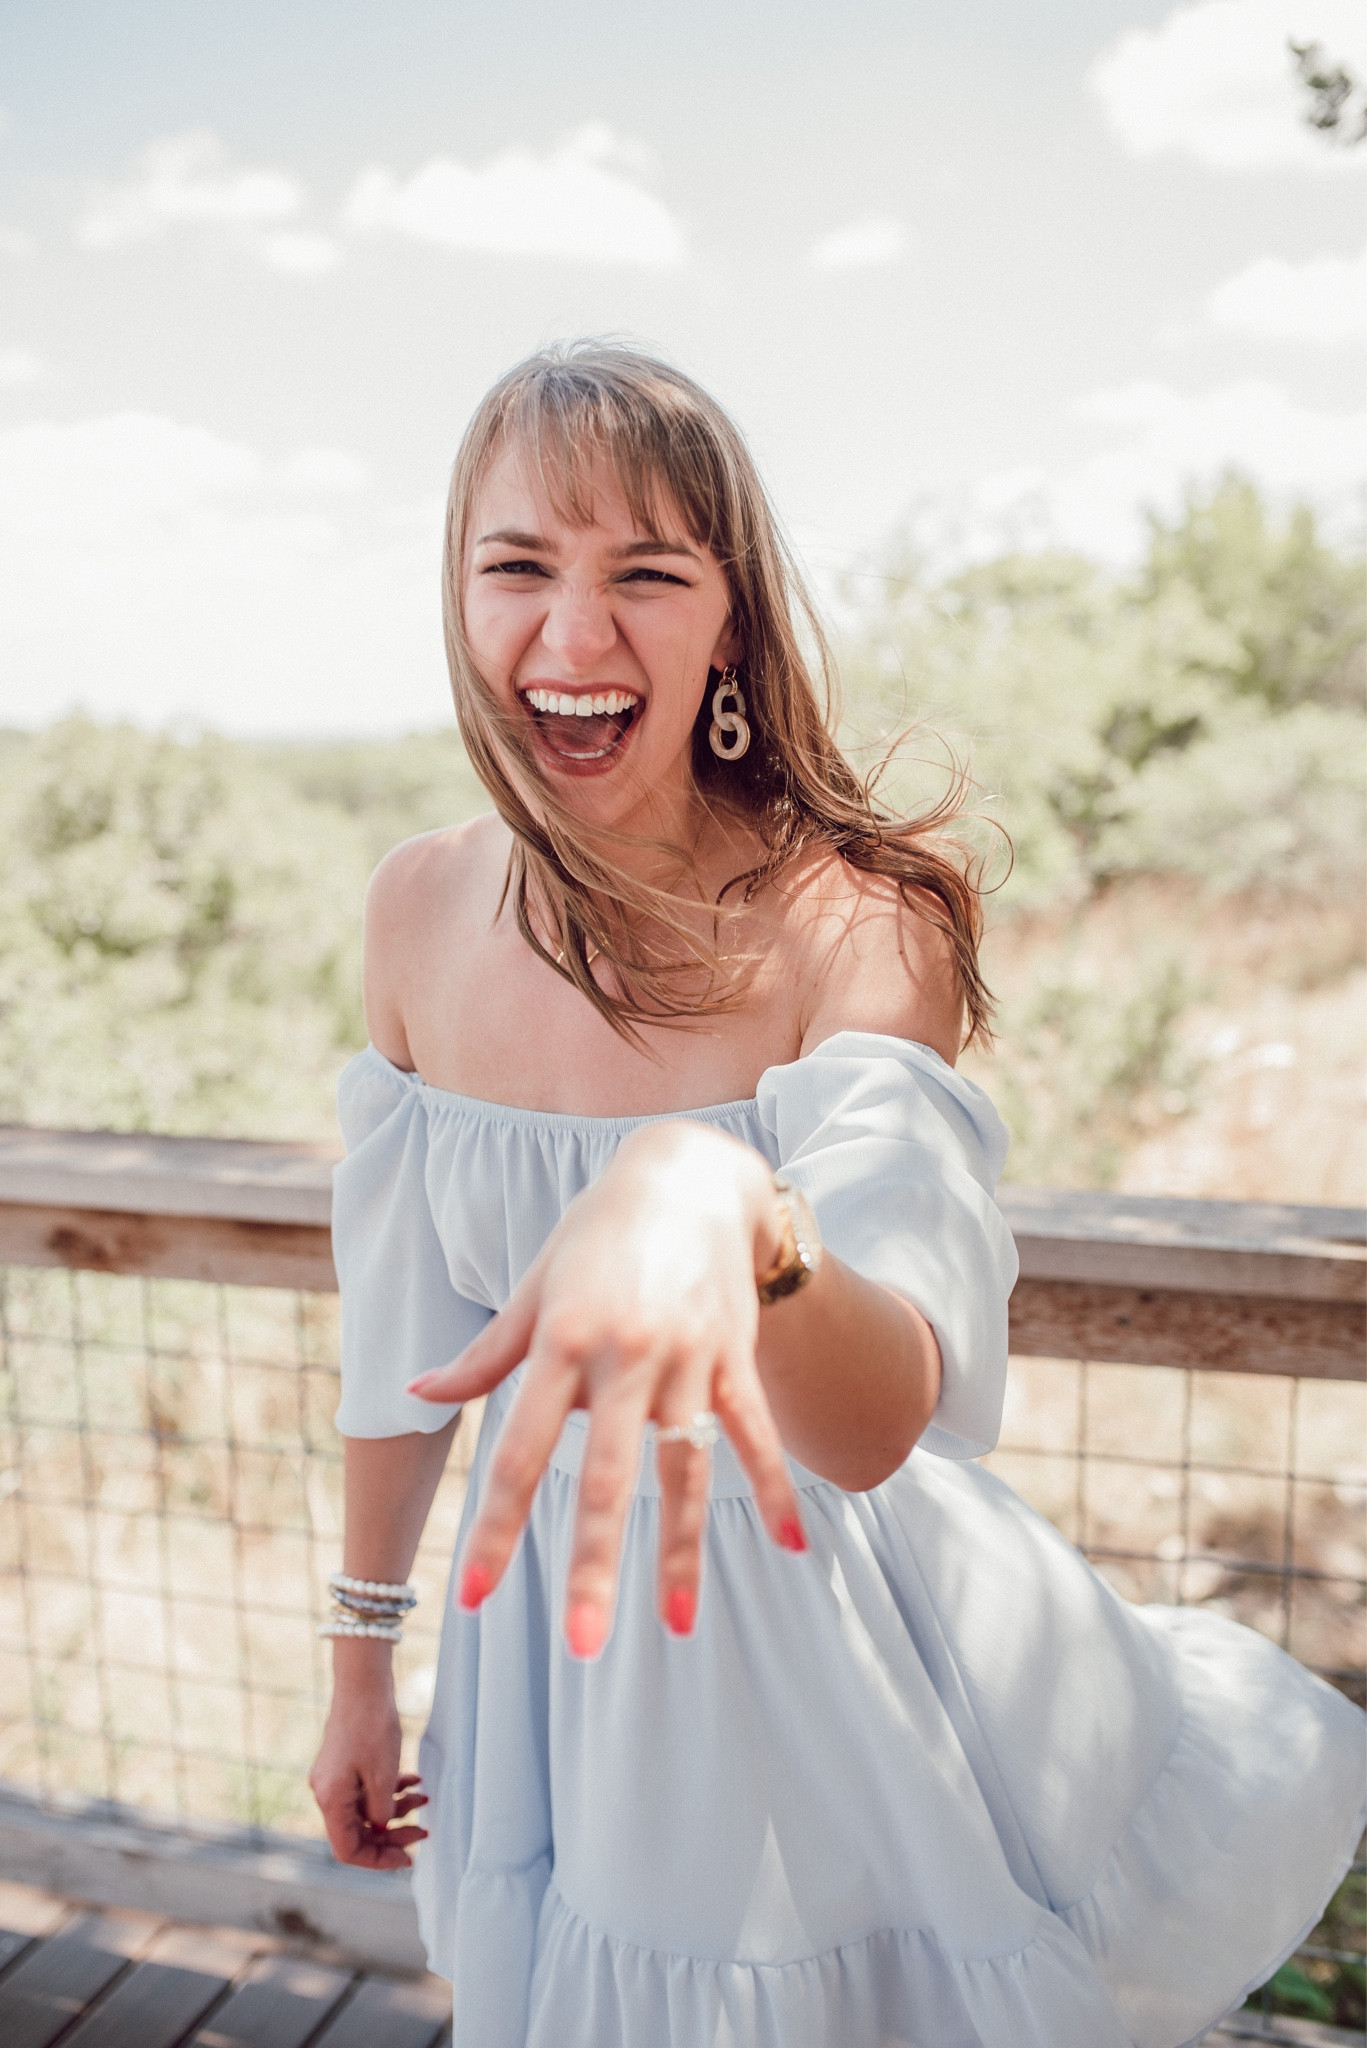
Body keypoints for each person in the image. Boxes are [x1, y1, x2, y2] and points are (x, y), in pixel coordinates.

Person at [309, 341, 1364, 2048]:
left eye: (644, 575)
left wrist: (722, 1207)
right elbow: (400, 1335)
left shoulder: (857, 923)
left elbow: (878, 1419)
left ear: (731, 621)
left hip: (827, 1663)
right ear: (457, 590)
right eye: (520, 567)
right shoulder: (417, 910)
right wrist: (362, 1656)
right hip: (545, 1664)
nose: (573, 643)